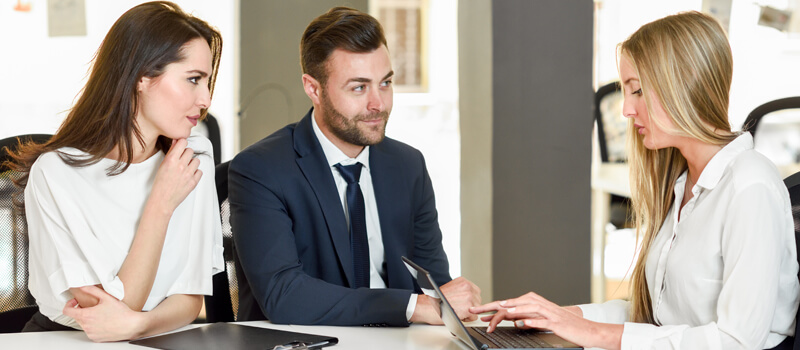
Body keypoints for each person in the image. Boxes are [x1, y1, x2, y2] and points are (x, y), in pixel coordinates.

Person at [470, 11, 799, 350]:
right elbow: (659, 319)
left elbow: (737, 341)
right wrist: (554, 317)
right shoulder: (683, 183)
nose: (626, 109)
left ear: (685, 83)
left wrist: (591, 333)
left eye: (637, 91)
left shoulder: (749, 185)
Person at [229, 6, 481, 327]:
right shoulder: (261, 169)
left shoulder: (407, 165)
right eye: (359, 87)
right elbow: (284, 295)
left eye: (385, 83)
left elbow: (433, 285)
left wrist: (453, 300)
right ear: (314, 89)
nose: (379, 104)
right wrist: (408, 306)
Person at [5, 1, 224, 342]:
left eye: (207, 82)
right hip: (68, 342)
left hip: (158, 338)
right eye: (193, 80)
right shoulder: (56, 174)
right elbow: (110, 311)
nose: (206, 99)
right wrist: (160, 204)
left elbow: (190, 298)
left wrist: (138, 326)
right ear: (142, 77)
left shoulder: (194, 157)